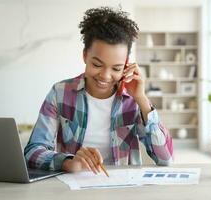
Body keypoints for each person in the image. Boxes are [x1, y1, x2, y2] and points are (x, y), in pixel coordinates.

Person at [24, 6, 173, 174]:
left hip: (123, 188)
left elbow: (165, 159)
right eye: (97, 65)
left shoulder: (133, 100)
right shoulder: (60, 93)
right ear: (85, 55)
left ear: (126, 65)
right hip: (72, 187)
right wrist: (68, 162)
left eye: (116, 69)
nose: (105, 76)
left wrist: (142, 99)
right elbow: (32, 151)